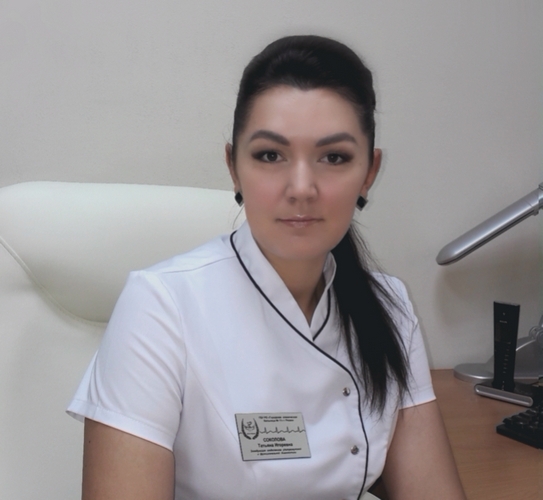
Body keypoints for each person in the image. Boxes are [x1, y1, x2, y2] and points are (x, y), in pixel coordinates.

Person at [67, 35, 467, 500]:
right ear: (233, 167)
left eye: (334, 157)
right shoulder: (161, 307)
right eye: (270, 155)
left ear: (369, 173)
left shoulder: (389, 307)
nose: (301, 188)